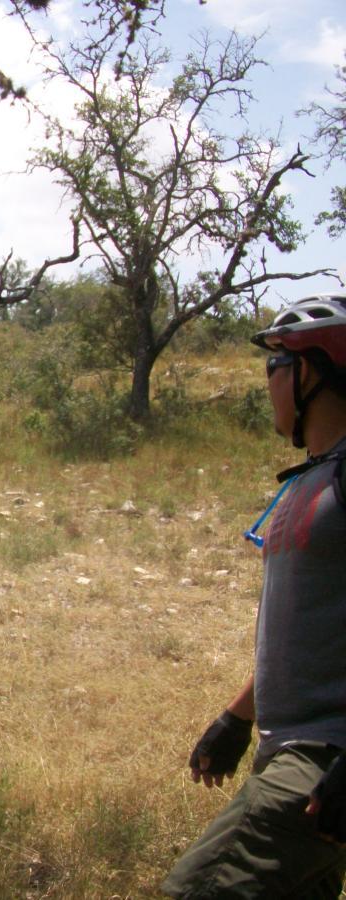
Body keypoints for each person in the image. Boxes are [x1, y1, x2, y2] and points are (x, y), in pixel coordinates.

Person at [162, 294, 346, 898]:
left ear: (310, 372)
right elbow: (312, 625)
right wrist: (238, 717)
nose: (268, 384)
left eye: (274, 367)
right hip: (289, 747)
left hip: (324, 756)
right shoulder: (311, 479)